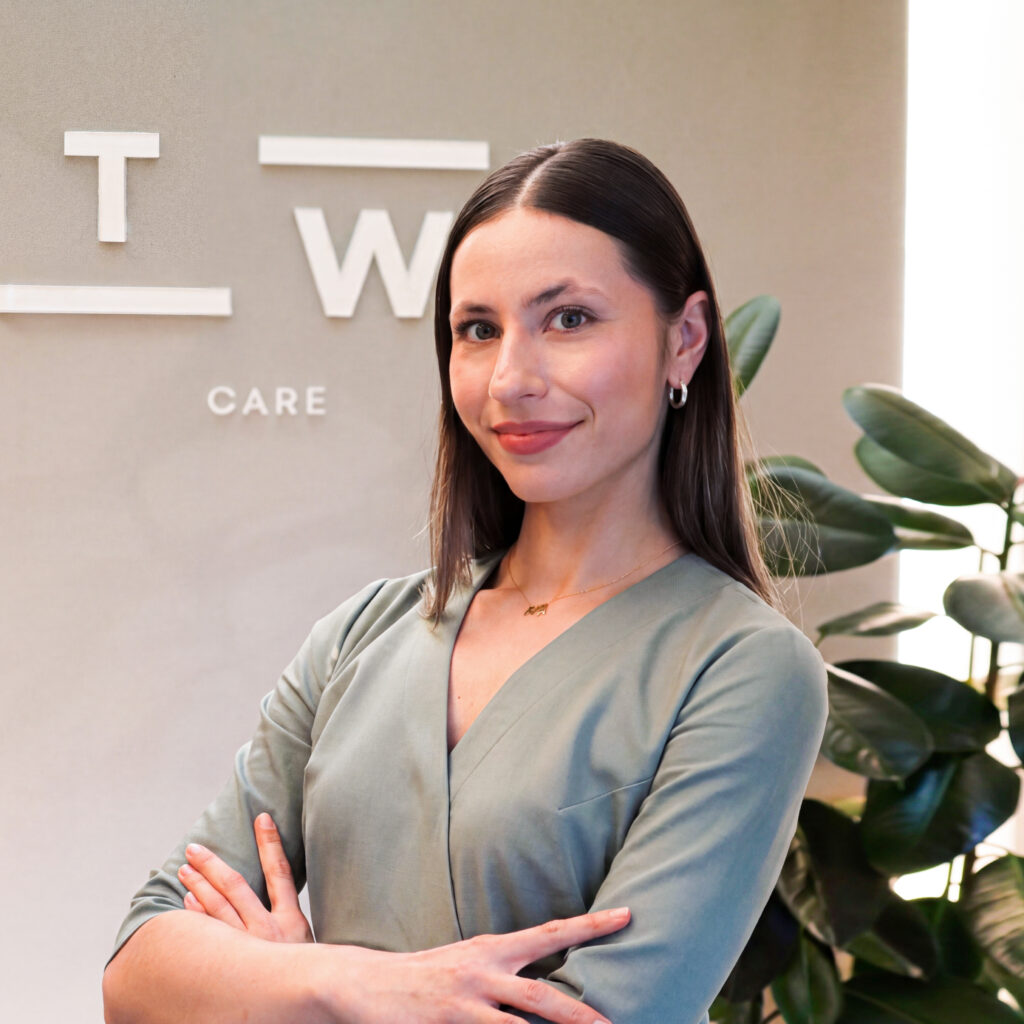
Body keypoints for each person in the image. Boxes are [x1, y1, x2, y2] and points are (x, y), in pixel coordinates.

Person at [102, 138, 828, 1024]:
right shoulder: (361, 634)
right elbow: (137, 972)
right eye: (478, 330)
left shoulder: (742, 666)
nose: (511, 379)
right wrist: (347, 984)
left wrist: (278, 985)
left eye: (568, 319)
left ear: (685, 340)